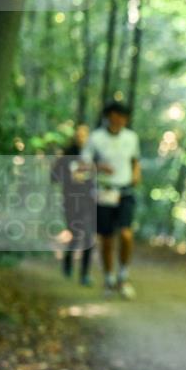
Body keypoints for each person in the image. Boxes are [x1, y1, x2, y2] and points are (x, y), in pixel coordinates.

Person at [81, 102, 142, 300]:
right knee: (106, 239)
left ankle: (123, 275)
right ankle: (109, 278)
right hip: (104, 192)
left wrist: (135, 175)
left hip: (125, 192)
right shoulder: (96, 138)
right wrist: (99, 167)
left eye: (122, 116)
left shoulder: (131, 138)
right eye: (115, 115)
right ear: (108, 116)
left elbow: (135, 161)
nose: (118, 120)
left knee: (126, 234)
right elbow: (83, 165)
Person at [51, 124, 96, 286]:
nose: (81, 137)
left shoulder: (94, 155)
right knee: (76, 234)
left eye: (84, 134)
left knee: (89, 236)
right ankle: (68, 263)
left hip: (90, 200)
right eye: (79, 134)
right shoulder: (67, 154)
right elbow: (54, 177)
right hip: (71, 200)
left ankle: (84, 274)